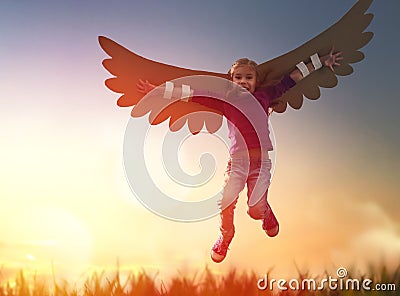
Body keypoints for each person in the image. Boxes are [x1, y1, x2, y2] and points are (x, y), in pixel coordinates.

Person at [137, 48, 342, 263]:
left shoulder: (265, 96)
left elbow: (292, 79)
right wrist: (157, 90)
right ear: (232, 80)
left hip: (261, 163)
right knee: (226, 200)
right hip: (237, 162)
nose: (243, 81)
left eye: (249, 77)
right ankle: (226, 235)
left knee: (254, 210)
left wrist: (320, 61)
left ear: (256, 81)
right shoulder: (226, 101)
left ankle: (264, 211)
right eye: (238, 77)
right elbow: (192, 95)